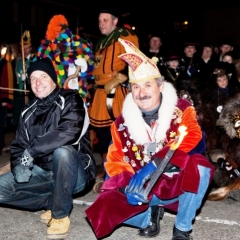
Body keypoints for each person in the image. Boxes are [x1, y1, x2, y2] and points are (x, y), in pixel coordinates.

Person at [85, 39, 214, 240]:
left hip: (175, 183)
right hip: (143, 189)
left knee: (200, 167)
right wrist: (125, 186)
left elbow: (193, 138)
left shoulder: (182, 109)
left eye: (147, 85)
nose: (141, 92)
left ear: (160, 86)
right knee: (104, 205)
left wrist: (153, 165)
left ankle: (182, 227)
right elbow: (115, 160)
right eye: (135, 87)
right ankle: (149, 217)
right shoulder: (121, 123)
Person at [0, 58, 95, 239]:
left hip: (75, 173)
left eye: (43, 76)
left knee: (63, 151)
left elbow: (68, 131)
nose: (38, 83)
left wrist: (31, 152)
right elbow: (19, 145)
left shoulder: (71, 98)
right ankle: (54, 201)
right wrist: (18, 164)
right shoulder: (28, 111)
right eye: (33, 78)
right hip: (44, 172)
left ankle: (60, 215)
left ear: (53, 79)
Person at [89, 9, 139, 180]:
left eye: (105, 20)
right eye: (99, 20)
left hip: (117, 91)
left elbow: (134, 61)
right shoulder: (102, 42)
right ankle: (106, 167)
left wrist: (118, 79)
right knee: (102, 133)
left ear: (114, 21)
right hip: (100, 92)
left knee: (118, 131)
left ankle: (123, 168)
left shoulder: (125, 36)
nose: (101, 23)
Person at [13, 30, 35, 130]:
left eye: (27, 48)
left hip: (31, 93)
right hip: (19, 93)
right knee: (18, 119)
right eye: (23, 49)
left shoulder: (35, 60)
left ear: (30, 48)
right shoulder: (17, 61)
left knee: (30, 119)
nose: (25, 51)